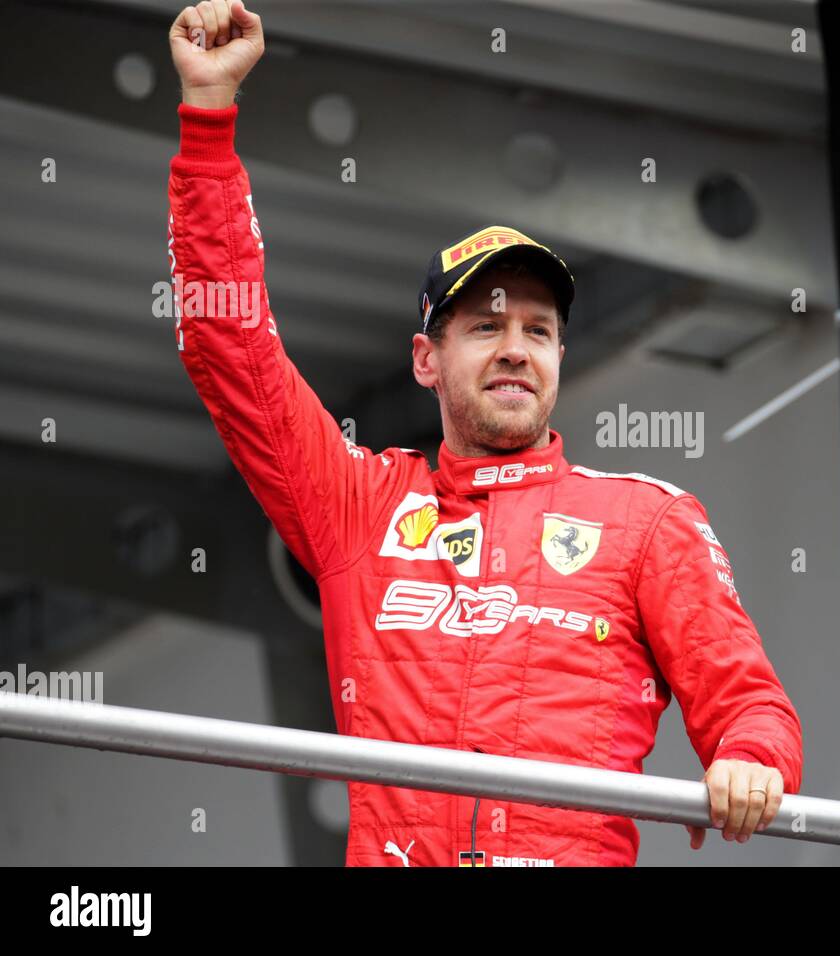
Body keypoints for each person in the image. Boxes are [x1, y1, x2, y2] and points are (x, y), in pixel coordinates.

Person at [167, 0, 802, 866]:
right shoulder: (360, 506)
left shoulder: (648, 523)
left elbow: (749, 704)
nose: (515, 351)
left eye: (538, 331)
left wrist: (753, 761)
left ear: (559, 357)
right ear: (425, 360)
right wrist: (208, 122)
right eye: (485, 328)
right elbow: (227, 344)